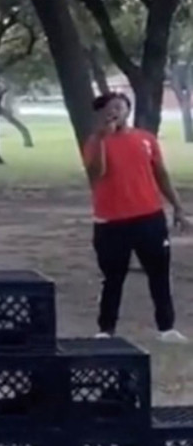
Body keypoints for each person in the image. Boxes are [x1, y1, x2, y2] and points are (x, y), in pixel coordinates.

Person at [82, 91, 190, 342]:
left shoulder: (145, 139)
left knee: (159, 274)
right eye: (110, 108)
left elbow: (161, 174)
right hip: (111, 221)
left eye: (120, 107)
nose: (115, 112)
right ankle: (106, 330)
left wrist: (178, 207)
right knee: (113, 277)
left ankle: (166, 328)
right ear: (102, 113)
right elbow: (97, 174)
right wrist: (103, 137)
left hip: (149, 217)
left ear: (127, 111)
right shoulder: (94, 142)